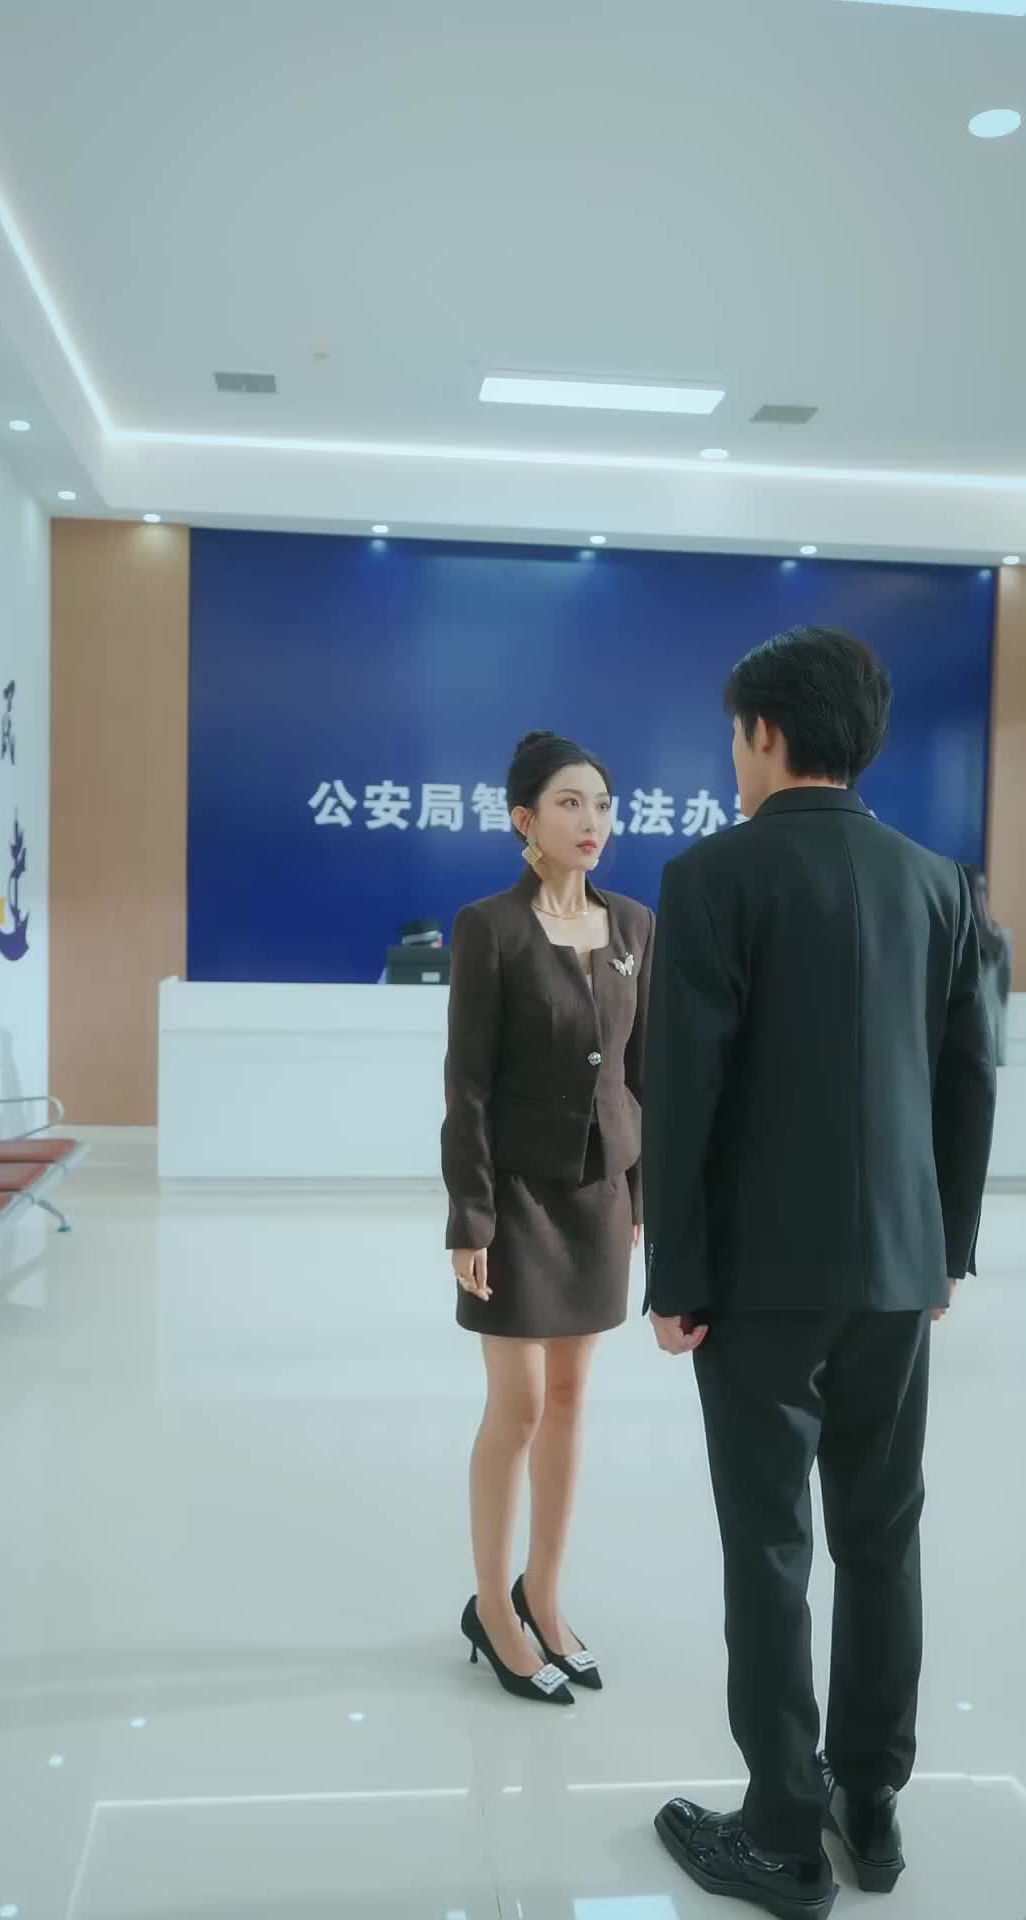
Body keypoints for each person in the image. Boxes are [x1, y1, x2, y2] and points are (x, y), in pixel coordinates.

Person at [641, 628, 996, 1920]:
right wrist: (944, 1249)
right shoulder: (940, 887)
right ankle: (872, 1805)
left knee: (772, 1545)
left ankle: (785, 1837)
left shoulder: (712, 876)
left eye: (737, 734)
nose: (734, 755)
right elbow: (970, 1080)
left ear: (767, 734)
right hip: (898, 1270)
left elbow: (684, 1090)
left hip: (758, 1278)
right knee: (883, 1536)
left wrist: (676, 1274)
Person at [442, 730, 654, 1706]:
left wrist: (643, 1194)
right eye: (570, 803)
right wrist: (470, 1216)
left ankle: (546, 1593)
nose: (591, 821)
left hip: (600, 1194)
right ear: (525, 819)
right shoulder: (490, 927)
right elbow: (468, 1085)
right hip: (517, 1197)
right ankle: (492, 1607)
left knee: (572, 1397)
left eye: (602, 803)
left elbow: (643, 1073)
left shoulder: (635, 927)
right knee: (519, 1405)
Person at [964, 866, 1013, 1066]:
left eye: (983, 890)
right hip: (969, 1039)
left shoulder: (998, 935)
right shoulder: (961, 934)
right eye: (976, 890)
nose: (981, 898)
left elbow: (1003, 994)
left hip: (992, 1038)